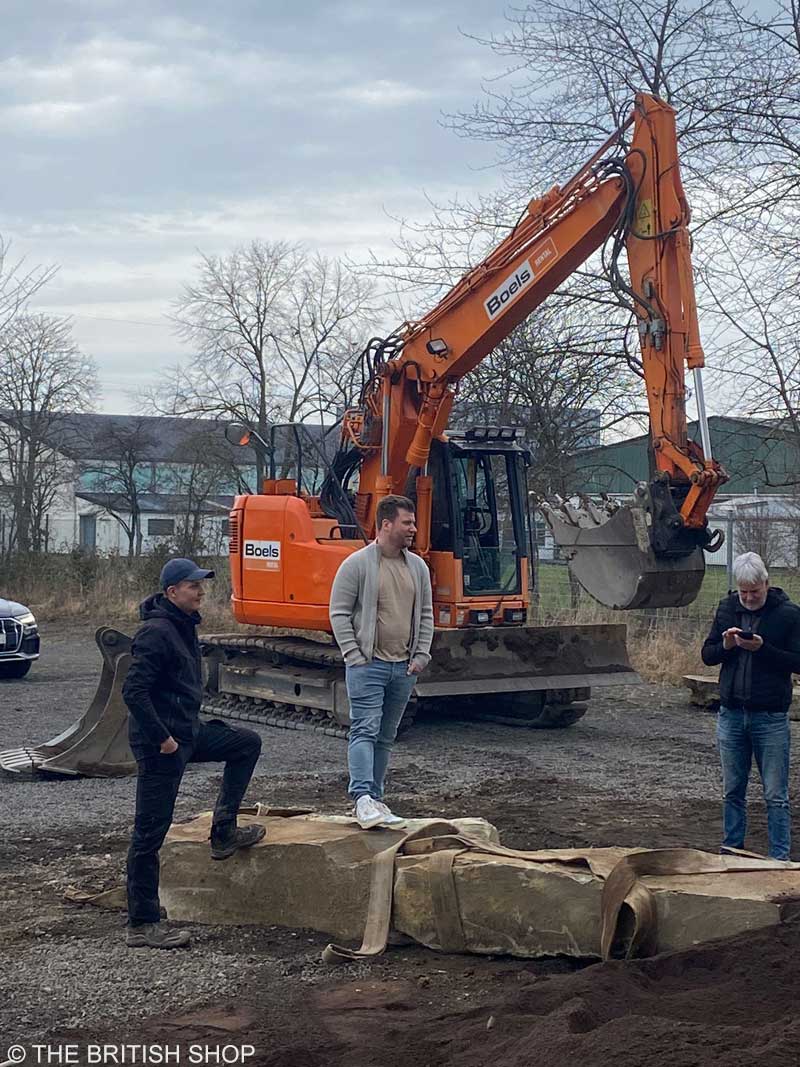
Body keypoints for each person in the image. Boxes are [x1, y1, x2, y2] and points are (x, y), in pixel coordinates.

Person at [123, 557, 265, 949]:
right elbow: (133, 693)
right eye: (192, 586)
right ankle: (142, 922)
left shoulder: (183, 626)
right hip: (162, 745)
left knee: (246, 743)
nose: (201, 591)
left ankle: (223, 833)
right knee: (150, 831)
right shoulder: (156, 632)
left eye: (201, 585)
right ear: (172, 593)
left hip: (188, 734)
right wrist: (163, 738)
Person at [330, 494, 434, 830]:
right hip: (368, 665)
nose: (413, 529)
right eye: (407, 523)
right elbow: (339, 612)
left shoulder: (417, 567)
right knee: (364, 729)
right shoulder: (357, 564)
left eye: (413, 523)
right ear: (386, 524)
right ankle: (361, 798)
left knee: (386, 736)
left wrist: (420, 656)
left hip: (403, 668)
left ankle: (375, 798)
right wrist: (354, 655)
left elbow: (427, 614)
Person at [702, 551, 800, 861]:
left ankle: (780, 858)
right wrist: (728, 646)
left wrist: (762, 649)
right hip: (731, 714)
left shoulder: (788, 615)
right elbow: (708, 654)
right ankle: (731, 851)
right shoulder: (727, 609)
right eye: (743, 592)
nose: (748, 598)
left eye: (754, 592)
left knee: (776, 795)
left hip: (770, 717)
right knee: (732, 790)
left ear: (766, 585)